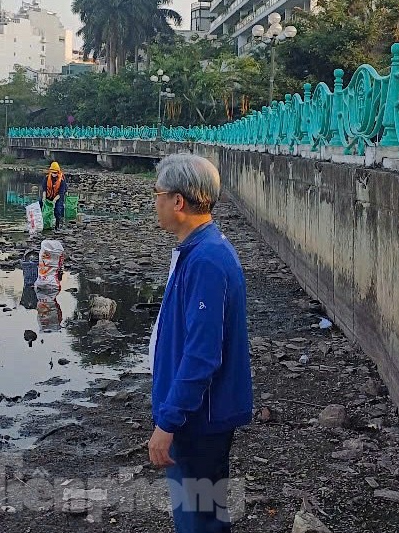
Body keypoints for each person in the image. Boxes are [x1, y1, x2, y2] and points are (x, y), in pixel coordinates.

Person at [148, 153, 252, 533]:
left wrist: (169, 420)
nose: (154, 202)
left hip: (199, 418)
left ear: (178, 201)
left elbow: (202, 354)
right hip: (195, 413)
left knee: (199, 521)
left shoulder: (206, 259)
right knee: (198, 515)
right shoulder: (198, 249)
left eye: (157, 193)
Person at [39, 161, 69, 229]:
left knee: (57, 210)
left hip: (57, 197)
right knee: (40, 203)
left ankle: (57, 226)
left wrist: (54, 201)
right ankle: (42, 220)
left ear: (58, 172)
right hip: (48, 196)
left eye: (55, 173)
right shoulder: (47, 178)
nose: (54, 174)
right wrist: (44, 198)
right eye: (52, 172)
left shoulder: (61, 180)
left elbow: (61, 193)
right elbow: (44, 190)